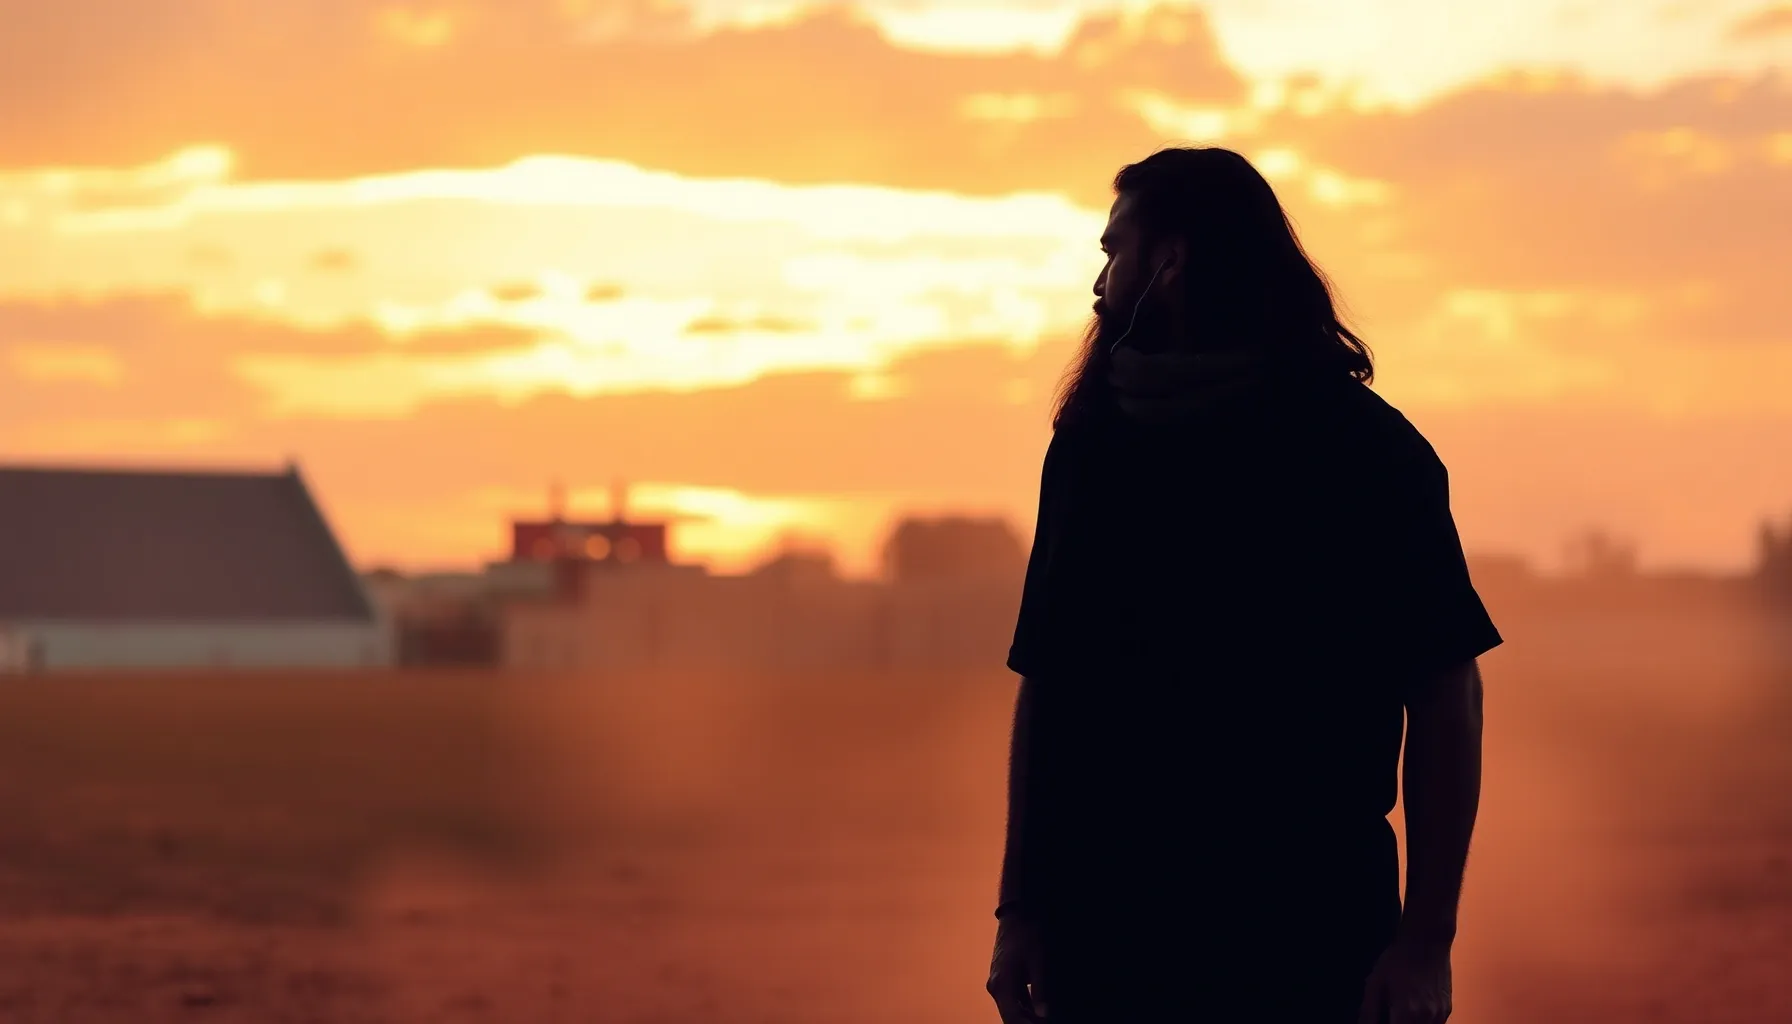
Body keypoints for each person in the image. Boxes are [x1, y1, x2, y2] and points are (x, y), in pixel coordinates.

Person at [985, 147, 1501, 1023]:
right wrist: (1019, 911)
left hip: (1308, 933)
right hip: (1108, 931)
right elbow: (1050, 685)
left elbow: (1447, 692)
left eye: (1114, 252)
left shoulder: (1361, 451)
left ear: (1171, 261)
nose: (1099, 284)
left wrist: (1425, 942)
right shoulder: (1093, 448)